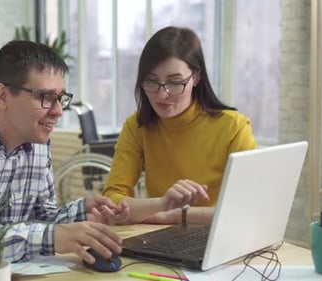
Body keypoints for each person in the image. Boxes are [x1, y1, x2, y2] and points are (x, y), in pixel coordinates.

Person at [0, 40, 205, 264]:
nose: (58, 111)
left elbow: (41, 216)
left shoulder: (35, 141)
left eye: (61, 98)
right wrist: (51, 238)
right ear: (2, 95)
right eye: (45, 98)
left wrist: (83, 213)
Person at [102, 26, 257, 225]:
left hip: (216, 237)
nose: (162, 94)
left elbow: (248, 208)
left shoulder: (233, 127)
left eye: (175, 83)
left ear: (196, 78)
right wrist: (162, 203)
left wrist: (177, 215)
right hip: (158, 235)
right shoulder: (137, 126)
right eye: (151, 82)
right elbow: (113, 199)